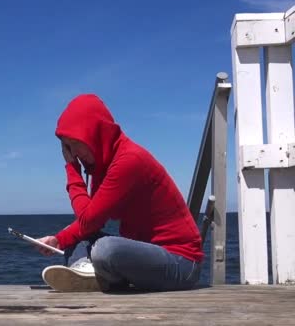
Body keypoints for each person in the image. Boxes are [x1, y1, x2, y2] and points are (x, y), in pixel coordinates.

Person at [35, 94, 203, 292]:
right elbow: (89, 222)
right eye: (67, 149)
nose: (73, 154)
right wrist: (58, 240)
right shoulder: (102, 164)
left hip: (181, 263)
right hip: (146, 258)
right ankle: (94, 275)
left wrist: (72, 170)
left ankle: (100, 275)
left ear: (91, 133)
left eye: (73, 145)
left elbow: (88, 221)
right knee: (77, 241)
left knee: (105, 249)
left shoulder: (129, 160)